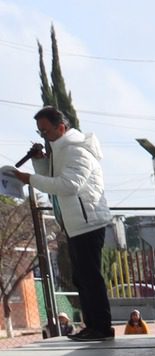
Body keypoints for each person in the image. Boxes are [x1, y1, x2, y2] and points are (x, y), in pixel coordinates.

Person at [22, 106, 113, 341]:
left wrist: (28, 179)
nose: (43, 136)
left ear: (61, 127)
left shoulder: (76, 151)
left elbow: (67, 186)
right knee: (82, 278)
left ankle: (101, 327)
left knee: (90, 277)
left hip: (88, 221)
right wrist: (39, 162)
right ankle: (93, 325)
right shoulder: (61, 149)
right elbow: (53, 179)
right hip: (75, 222)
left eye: (46, 131)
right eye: (40, 131)